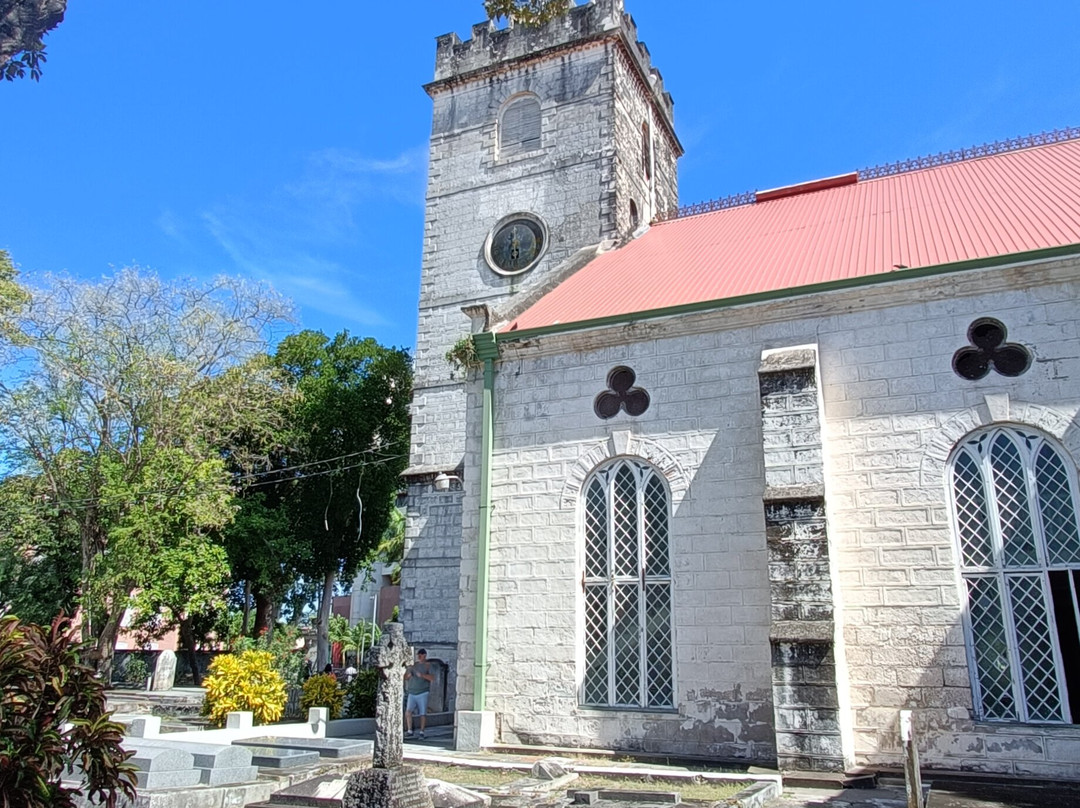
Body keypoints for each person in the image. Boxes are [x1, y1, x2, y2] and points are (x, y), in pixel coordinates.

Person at [403, 648, 434, 739]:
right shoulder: (413, 666)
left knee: (422, 713)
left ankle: (422, 731)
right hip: (412, 691)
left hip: (423, 692)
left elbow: (432, 678)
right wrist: (408, 675)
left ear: (425, 655)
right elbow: (405, 677)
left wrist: (422, 675)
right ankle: (409, 730)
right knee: (408, 711)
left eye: (421, 655)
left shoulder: (428, 665)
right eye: (418, 655)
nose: (419, 657)